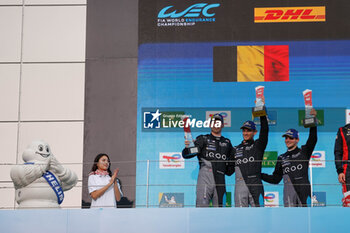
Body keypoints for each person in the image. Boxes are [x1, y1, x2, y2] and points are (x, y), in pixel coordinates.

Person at [261, 109, 317, 207]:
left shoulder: (304, 151)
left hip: (304, 191)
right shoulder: (281, 158)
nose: (288, 140)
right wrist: (259, 174)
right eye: (286, 138)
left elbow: (313, 139)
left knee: (306, 218)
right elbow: (275, 179)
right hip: (289, 194)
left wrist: (313, 121)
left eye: (291, 138)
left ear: (297, 140)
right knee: (290, 219)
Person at [182, 114, 235, 207]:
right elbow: (187, 154)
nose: (216, 125)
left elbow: (231, 167)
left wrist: (224, 169)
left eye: (218, 122)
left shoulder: (227, 143)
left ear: (222, 125)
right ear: (210, 124)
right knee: (201, 209)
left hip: (220, 180)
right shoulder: (203, 139)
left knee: (220, 212)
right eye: (214, 122)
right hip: (205, 178)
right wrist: (188, 148)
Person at [233, 112, 268, 207]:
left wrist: (262, 112)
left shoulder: (258, 145)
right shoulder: (235, 149)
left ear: (255, 132)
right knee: (240, 216)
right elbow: (228, 169)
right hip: (240, 185)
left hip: (256, 184)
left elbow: (265, 131)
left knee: (259, 214)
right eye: (244, 130)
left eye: (248, 131)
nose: (245, 133)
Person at [334, 123, 350, 206]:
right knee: (349, 201)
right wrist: (340, 171)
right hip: (348, 168)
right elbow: (338, 152)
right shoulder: (343, 130)